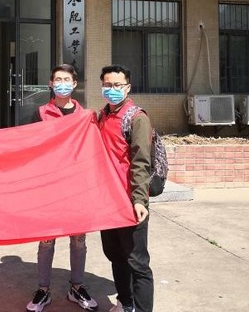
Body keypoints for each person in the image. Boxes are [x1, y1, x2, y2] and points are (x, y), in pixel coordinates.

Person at [26, 64, 98, 312]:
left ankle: (76, 287)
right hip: (49, 187)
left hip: (77, 187)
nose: (62, 84)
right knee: (46, 240)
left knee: (78, 239)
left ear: (75, 84)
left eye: (67, 80)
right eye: (58, 79)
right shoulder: (40, 113)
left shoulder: (85, 116)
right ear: (50, 83)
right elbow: (30, 147)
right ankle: (43, 290)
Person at [98, 64, 154, 312]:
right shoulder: (102, 116)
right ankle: (125, 302)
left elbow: (141, 162)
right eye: (107, 85)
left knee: (137, 262)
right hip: (108, 201)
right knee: (116, 255)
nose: (112, 89)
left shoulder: (137, 118)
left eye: (117, 85)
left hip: (130, 201)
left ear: (127, 87)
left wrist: (140, 200)